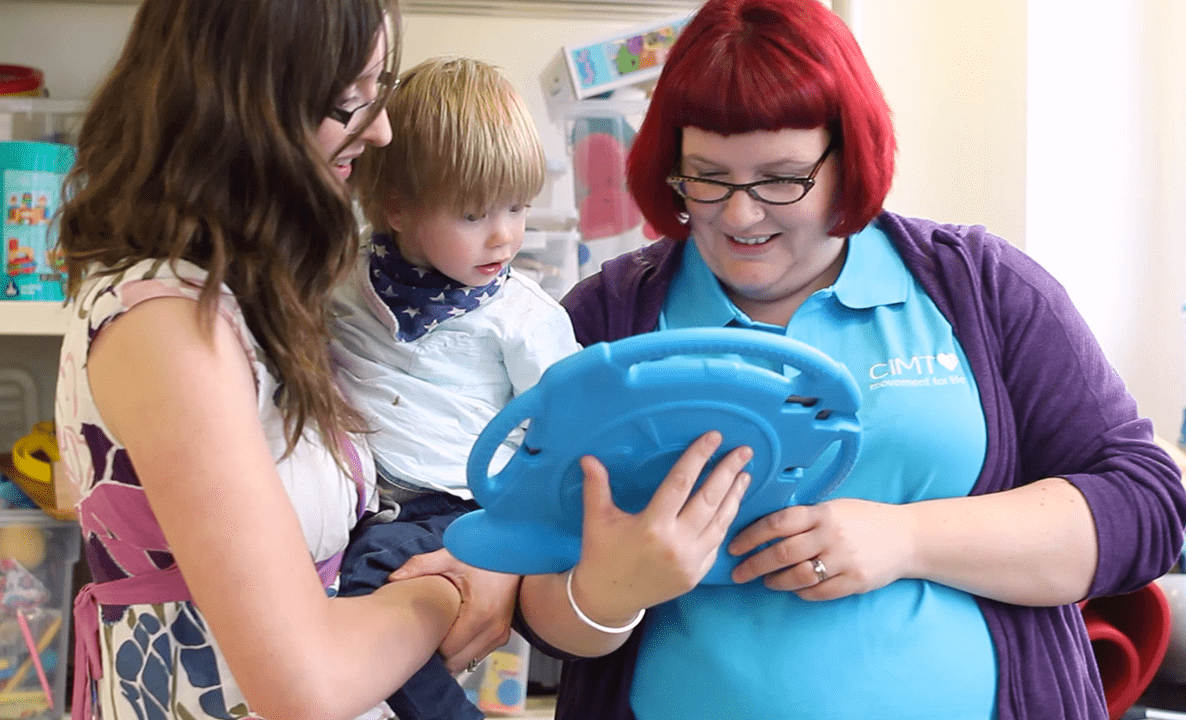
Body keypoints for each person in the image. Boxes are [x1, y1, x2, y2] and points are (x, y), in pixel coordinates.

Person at [507, 0, 1186, 718]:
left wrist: (907, 538)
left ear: (849, 155)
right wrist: (610, 592)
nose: (740, 217)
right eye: (707, 176)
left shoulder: (983, 290)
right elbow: (523, 583)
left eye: (781, 179)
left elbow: (1143, 506)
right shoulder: (605, 319)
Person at [52, 2, 476, 719]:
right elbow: (302, 685)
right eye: (350, 101)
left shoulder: (246, 299)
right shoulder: (167, 325)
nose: (381, 129)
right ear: (249, 107)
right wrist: (454, 589)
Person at [329, 56, 579, 720]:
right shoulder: (342, 282)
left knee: (367, 594)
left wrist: (521, 529)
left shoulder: (523, 317)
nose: (504, 235)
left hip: (458, 509)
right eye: (473, 213)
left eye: (518, 207)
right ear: (397, 209)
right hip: (364, 503)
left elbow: (573, 429)